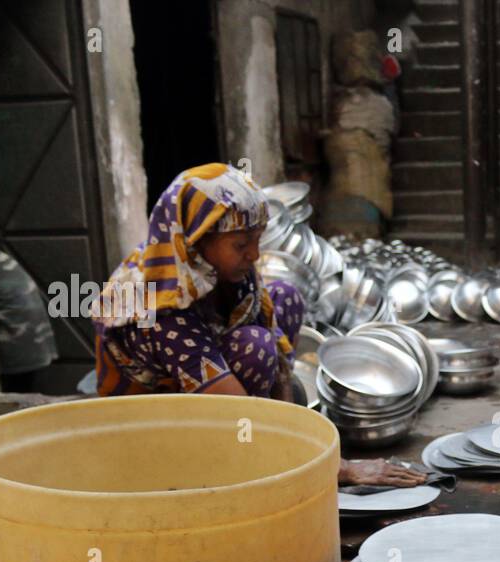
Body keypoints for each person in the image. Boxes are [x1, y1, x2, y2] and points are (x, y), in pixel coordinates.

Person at [92, 163, 424, 488]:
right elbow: (235, 404)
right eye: (240, 244)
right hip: (150, 435)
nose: (253, 254)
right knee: (255, 347)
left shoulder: (222, 270)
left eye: (257, 239)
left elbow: (276, 348)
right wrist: (337, 468)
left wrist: (289, 421)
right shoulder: (158, 305)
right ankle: (236, 465)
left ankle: (267, 448)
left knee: (284, 297)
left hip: (203, 392)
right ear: (196, 240)